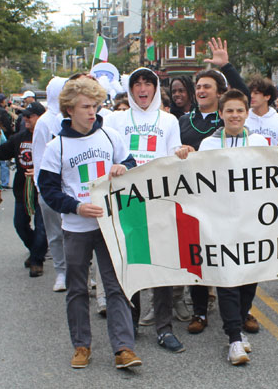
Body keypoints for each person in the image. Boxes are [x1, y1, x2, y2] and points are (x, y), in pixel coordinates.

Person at [38, 77, 142, 369]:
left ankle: (124, 347)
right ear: (69, 109)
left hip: (109, 226)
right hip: (76, 228)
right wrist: (76, 207)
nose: (92, 112)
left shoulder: (110, 136)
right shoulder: (55, 146)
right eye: (85, 106)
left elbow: (130, 163)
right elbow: (48, 189)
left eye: (95, 106)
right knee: (77, 288)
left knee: (116, 286)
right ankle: (81, 345)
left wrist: (125, 167)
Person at [176, 89, 276, 365]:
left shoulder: (258, 141)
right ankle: (233, 338)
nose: (234, 115)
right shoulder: (209, 144)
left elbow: (277, 171)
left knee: (248, 278)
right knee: (227, 279)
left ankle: (240, 325)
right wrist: (185, 154)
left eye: (240, 110)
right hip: (219, 222)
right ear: (220, 114)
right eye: (229, 110)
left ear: (247, 113)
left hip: (253, 221)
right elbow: (192, 173)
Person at [105, 67, 188, 352]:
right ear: (130, 88)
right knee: (130, 262)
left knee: (161, 265)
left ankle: (164, 328)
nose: (142, 88)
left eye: (147, 83)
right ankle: (130, 319)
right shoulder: (115, 119)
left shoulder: (168, 120)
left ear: (155, 88)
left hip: (159, 199)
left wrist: (180, 154)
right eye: (137, 83)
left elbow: (174, 152)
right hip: (127, 199)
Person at [178, 37, 253, 335]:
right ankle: (199, 311)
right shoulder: (184, 122)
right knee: (199, 258)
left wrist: (226, 66)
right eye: (197, 87)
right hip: (200, 202)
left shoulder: (230, 119)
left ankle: (243, 312)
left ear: (220, 94)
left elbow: (242, 96)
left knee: (241, 258)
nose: (200, 91)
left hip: (237, 203)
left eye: (207, 86)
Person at [245, 74, 278, 297]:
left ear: (267, 96)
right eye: (251, 92)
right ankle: (249, 274)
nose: (252, 97)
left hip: (275, 183)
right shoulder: (244, 118)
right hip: (249, 183)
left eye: (257, 93)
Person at [0, 101, 48, 277]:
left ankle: (36, 261)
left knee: (42, 226)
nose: (25, 119)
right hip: (22, 187)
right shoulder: (19, 137)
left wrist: (42, 171)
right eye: (24, 115)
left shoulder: (50, 138)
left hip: (43, 188)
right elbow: (2, 152)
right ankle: (36, 249)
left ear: (41, 118)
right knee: (20, 224)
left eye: (30, 116)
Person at [32, 76, 68, 291]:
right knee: (55, 234)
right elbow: (38, 157)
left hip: (72, 187)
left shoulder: (76, 118)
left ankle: (83, 272)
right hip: (51, 189)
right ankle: (61, 272)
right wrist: (41, 188)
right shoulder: (45, 122)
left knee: (78, 235)